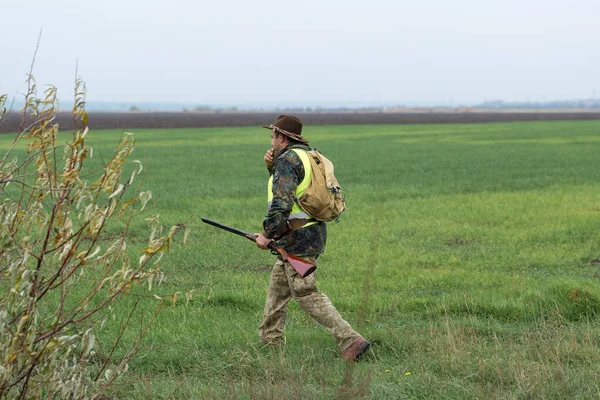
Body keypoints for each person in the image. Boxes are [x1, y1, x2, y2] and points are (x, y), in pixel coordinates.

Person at [254, 115, 370, 362]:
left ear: (281, 137)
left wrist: (266, 235)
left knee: (306, 293)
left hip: (296, 237)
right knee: (278, 288)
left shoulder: (286, 161)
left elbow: (281, 205)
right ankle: (269, 342)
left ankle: (351, 340)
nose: (270, 141)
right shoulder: (307, 156)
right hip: (309, 232)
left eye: (272, 136)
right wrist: (270, 167)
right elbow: (297, 189)